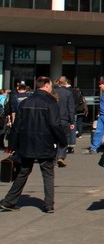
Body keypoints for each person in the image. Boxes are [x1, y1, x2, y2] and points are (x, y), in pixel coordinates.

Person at [1, 76, 67, 213]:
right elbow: (55, 124)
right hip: (45, 142)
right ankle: (49, 205)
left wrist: (12, 145)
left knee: (23, 172)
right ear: (47, 85)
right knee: (48, 173)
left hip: (27, 143)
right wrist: (62, 141)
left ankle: (9, 201)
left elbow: (16, 126)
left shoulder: (25, 103)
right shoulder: (51, 103)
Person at [52, 76, 75, 167]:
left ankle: (54, 159)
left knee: (53, 139)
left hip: (53, 119)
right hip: (64, 119)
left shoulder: (52, 92)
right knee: (64, 138)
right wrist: (72, 121)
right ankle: (61, 156)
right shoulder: (68, 93)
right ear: (65, 83)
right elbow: (71, 108)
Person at [70, 80, 88, 152]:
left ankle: (76, 133)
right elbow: (85, 103)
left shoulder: (73, 95)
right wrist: (86, 111)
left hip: (76, 111)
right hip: (81, 111)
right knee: (79, 123)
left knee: (75, 122)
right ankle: (79, 133)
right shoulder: (81, 96)